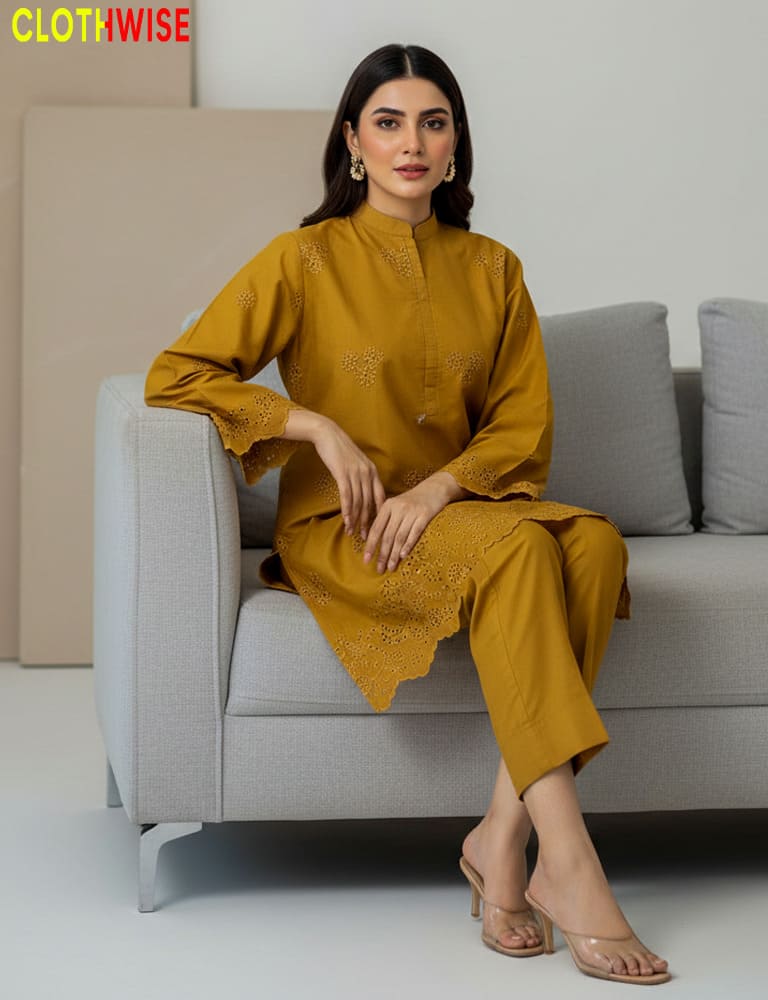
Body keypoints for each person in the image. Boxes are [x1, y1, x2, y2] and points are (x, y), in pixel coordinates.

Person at [145, 43, 670, 985]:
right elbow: (177, 374)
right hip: (349, 531)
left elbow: (520, 426)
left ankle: (500, 838)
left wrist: (438, 489)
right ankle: (569, 863)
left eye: (433, 122)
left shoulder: (495, 268)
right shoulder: (302, 259)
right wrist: (314, 427)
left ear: (456, 142)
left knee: (592, 544)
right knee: (526, 552)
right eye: (388, 122)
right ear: (353, 141)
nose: (412, 143)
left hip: (459, 509)